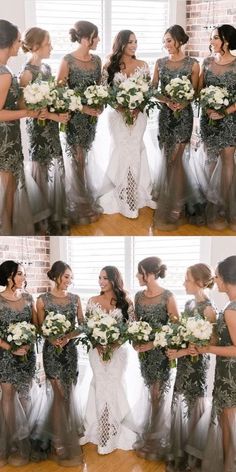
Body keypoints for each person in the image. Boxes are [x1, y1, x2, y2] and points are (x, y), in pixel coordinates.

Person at [81, 266, 141, 454]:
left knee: (114, 386)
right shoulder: (92, 301)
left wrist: (114, 344)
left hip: (117, 352)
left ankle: (112, 432)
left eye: (105, 278)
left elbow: (131, 328)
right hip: (96, 352)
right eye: (99, 278)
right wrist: (98, 345)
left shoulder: (126, 302)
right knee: (100, 386)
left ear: (114, 280)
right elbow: (88, 328)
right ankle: (102, 430)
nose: (101, 281)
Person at [96, 29, 156, 218]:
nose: (134, 45)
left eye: (136, 41)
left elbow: (147, 92)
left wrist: (138, 108)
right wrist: (121, 108)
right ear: (121, 43)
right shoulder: (109, 66)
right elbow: (104, 93)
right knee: (121, 151)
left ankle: (133, 195)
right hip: (117, 116)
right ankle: (121, 195)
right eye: (130, 42)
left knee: (135, 150)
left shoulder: (143, 65)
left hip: (139, 116)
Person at [166, 263, 217, 471]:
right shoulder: (187, 304)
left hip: (197, 367)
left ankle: (193, 460)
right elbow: (183, 335)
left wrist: (181, 352)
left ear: (199, 282)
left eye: (186, 279)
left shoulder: (209, 310)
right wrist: (173, 344)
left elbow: (211, 342)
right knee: (180, 405)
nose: (183, 283)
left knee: (194, 407)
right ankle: (181, 454)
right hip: (184, 364)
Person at [20, 27, 70, 235]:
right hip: (38, 130)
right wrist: (53, 116)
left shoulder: (48, 69)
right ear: (35, 47)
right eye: (48, 43)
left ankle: (54, 217)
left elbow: (52, 99)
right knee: (40, 171)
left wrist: (61, 108)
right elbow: (24, 107)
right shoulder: (26, 74)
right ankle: (42, 223)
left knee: (55, 169)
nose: (51, 47)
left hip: (51, 127)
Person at [35, 261, 84, 466]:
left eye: (71, 277)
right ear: (56, 276)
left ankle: (66, 435)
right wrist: (51, 338)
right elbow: (39, 328)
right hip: (51, 354)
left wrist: (68, 337)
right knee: (58, 395)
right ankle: (58, 440)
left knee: (68, 394)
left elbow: (83, 325)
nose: (69, 281)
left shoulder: (75, 299)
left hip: (69, 352)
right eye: (66, 277)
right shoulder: (42, 300)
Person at [152, 24, 200, 230]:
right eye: (164, 42)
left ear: (179, 40)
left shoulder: (193, 64)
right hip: (165, 117)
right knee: (167, 159)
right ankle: (169, 200)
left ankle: (176, 206)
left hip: (183, 118)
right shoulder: (160, 63)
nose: (166, 45)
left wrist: (184, 102)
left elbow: (197, 92)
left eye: (169, 41)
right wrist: (167, 100)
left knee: (178, 160)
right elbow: (153, 90)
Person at [57, 20, 102, 225]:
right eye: (95, 36)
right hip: (74, 119)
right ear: (85, 39)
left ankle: (84, 201)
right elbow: (60, 92)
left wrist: (100, 105)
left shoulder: (97, 60)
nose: (98, 40)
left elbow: (100, 87)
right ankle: (79, 205)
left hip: (92, 119)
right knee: (78, 159)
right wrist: (82, 108)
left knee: (86, 156)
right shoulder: (67, 60)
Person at [134, 256, 179, 460]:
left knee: (157, 395)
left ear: (149, 274)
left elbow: (175, 327)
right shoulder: (138, 296)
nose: (137, 276)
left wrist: (153, 343)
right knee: (150, 393)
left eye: (140, 272)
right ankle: (153, 436)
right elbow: (135, 323)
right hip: (144, 355)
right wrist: (135, 342)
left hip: (160, 354)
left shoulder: (168, 296)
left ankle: (156, 439)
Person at [0, 19, 40, 235]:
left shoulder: (5, 70)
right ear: (8, 42)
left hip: (9, 138)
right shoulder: (4, 74)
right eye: (17, 41)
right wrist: (27, 112)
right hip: (5, 141)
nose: (19, 45)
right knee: (6, 192)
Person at [197, 255, 236, 472]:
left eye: (218, 276)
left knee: (228, 427)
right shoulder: (230, 306)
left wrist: (208, 349)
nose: (216, 281)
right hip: (227, 374)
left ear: (226, 278)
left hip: (230, 377)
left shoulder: (231, 310)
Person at [198, 24, 236, 231]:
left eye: (215, 38)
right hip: (209, 119)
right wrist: (207, 108)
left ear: (226, 41)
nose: (211, 41)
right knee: (210, 160)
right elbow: (200, 90)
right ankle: (210, 204)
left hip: (230, 120)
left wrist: (224, 111)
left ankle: (223, 206)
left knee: (228, 161)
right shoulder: (207, 61)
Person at [0, 260, 37, 466]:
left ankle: (23, 439)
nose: (24, 277)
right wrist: (11, 347)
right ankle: (11, 441)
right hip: (5, 356)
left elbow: (34, 326)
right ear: (9, 277)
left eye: (23, 274)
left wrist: (28, 344)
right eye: (20, 274)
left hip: (26, 355)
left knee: (24, 395)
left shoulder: (29, 298)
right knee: (7, 396)